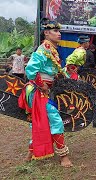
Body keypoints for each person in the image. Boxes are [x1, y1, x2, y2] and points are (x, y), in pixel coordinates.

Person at [18, 18, 72, 167]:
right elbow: (30, 70)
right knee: (55, 120)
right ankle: (64, 156)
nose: (59, 34)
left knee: (40, 121)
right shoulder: (43, 49)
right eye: (55, 31)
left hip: (42, 89)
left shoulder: (51, 49)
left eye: (59, 31)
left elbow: (56, 71)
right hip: (37, 91)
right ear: (47, 33)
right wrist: (42, 86)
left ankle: (30, 154)